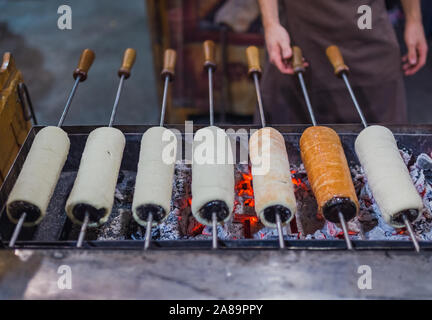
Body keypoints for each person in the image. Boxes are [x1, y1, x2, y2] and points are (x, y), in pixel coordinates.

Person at [257, 0, 428, 124]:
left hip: (368, 30)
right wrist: (271, 24)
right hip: (301, 35)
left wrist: (414, 20)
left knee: (386, 143)